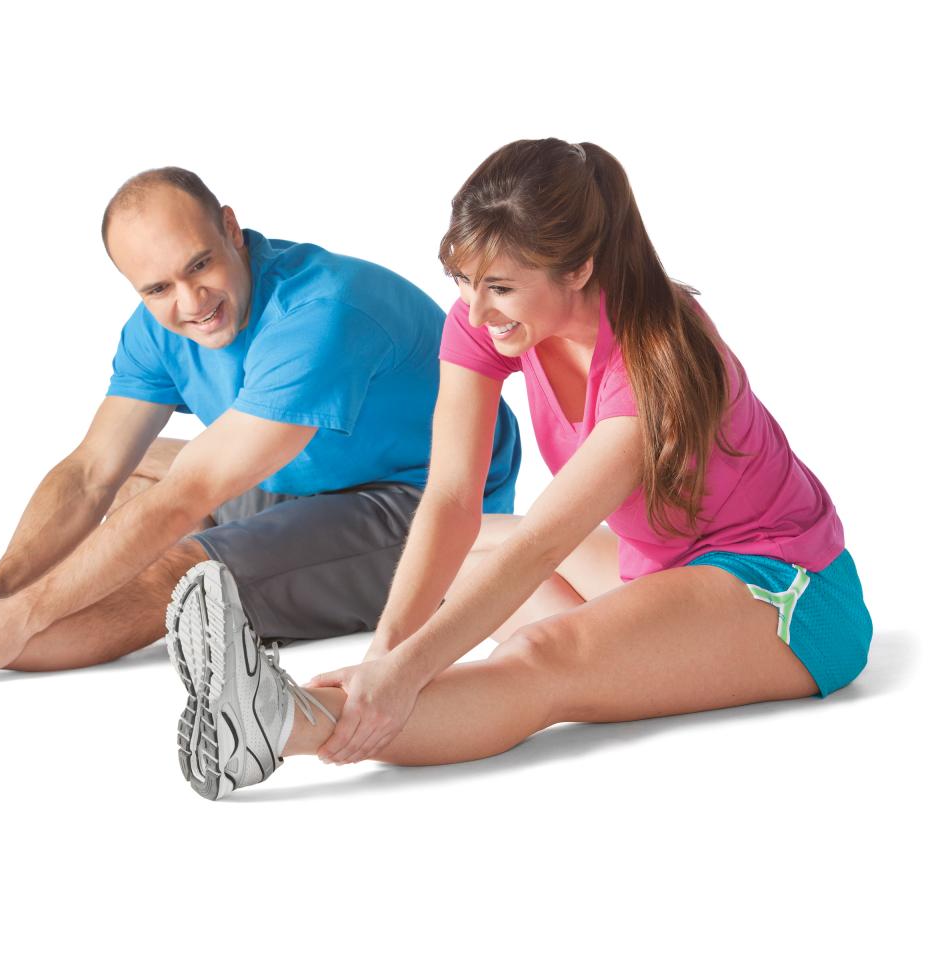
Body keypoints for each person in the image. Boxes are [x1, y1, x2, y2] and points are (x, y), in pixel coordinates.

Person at [166, 139, 874, 800]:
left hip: (785, 591)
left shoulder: (661, 360)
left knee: (542, 653)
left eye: (500, 287)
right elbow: (447, 497)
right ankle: (590, 665)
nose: (475, 308)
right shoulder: (495, 318)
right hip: (656, 567)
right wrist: (389, 649)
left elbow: (544, 544)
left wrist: (402, 675)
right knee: (463, 549)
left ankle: (282, 721)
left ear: (580, 269)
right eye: (465, 280)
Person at [0, 167, 521, 702]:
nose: (191, 302)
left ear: (231, 229)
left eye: (200, 265)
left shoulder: (320, 314)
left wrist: (24, 620)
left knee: (182, 571)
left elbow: (192, 493)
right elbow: (90, 473)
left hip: (428, 508)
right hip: (308, 477)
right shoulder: (157, 330)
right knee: (138, 478)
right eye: (158, 288)